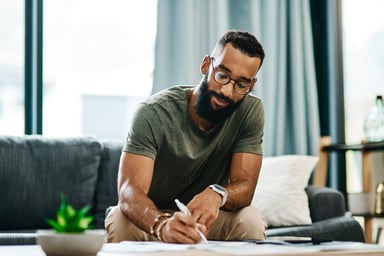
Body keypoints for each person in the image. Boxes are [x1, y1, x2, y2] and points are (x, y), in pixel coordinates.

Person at [105, 30, 266, 244]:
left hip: (205, 220)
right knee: (119, 218)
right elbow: (129, 191)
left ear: (251, 85)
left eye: (241, 84)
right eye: (222, 75)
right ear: (206, 65)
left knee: (250, 219)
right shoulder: (153, 112)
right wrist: (161, 225)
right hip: (153, 217)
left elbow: (245, 187)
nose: (227, 91)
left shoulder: (249, 111)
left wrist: (217, 193)